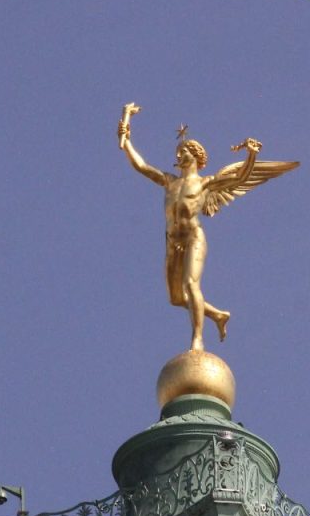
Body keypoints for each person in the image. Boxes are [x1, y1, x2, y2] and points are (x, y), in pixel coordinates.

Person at [118, 102, 298, 352]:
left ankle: (197, 341)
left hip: (193, 238)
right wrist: (126, 120)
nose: (178, 155)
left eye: (183, 151)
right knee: (176, 298)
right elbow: (139, 165)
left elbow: (240, 178)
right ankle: (219, 315)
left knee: (192, 285)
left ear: (196, 156)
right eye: (178, 152)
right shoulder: (168, 181)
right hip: (172, 241)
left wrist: (251, 155)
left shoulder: (207, 183)